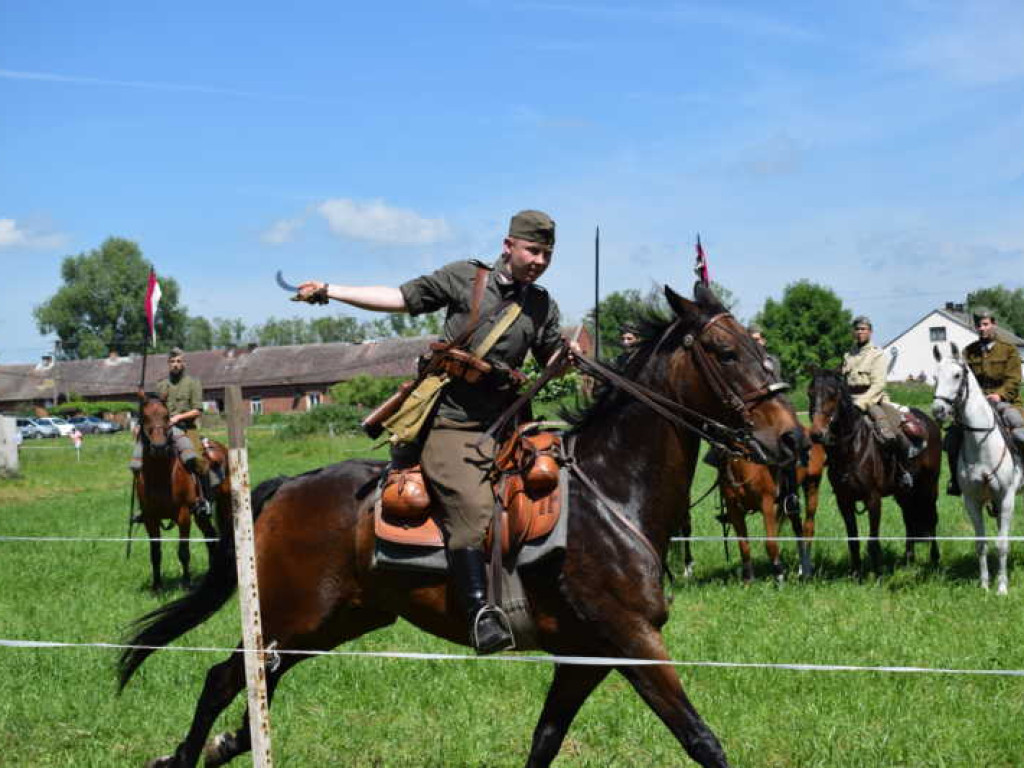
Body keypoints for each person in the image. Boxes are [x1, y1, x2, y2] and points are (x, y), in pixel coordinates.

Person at [294, 210, 570, 654]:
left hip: (510, 428)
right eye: (532, 251)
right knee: (474, 508)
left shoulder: (541, 305)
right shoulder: (466, 278)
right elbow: (399, 298)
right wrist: (331, 290)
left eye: (547, 255)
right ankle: (480, 613)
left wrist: (565, 359)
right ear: (509, 246)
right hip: (452, 425)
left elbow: (552, 360)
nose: (539, 261)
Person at [945, 307, 1024, 495]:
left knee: (1019, 430)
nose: (981, 328)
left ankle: (1020, 473)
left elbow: (1014, 380)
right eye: (978, 325)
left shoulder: (1009, 350)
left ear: (993, 324)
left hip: (1006, 402)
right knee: (951, 439)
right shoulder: (969, 352)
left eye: (985, 324)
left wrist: (999, 395)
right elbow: (963, 380)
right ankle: (956, 481)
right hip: (976, 405)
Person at [130, 347, 213, 519]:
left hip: (186, 428)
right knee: (137, 462)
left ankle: (203, 500)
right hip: (163, 429)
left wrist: (178, 417)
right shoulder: (161, 385)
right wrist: (141, 409)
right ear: (168, 364)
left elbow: (197, 410)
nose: (175, 364)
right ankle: (144, 506)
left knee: (197, 460)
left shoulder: (193, 383)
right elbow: (152, 409)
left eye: (179, 361)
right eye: (172, 361)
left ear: (184, 363)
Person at [841, 315, 922, 488]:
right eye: (857, 329)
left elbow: (878, 385)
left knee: (890, 432)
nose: (860, 332)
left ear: (870, 332)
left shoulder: (877, 354)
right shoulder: (848, 355)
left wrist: (860, 403)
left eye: (863, 329)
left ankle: (903, 470)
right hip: (850, 401)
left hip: (873, 400)